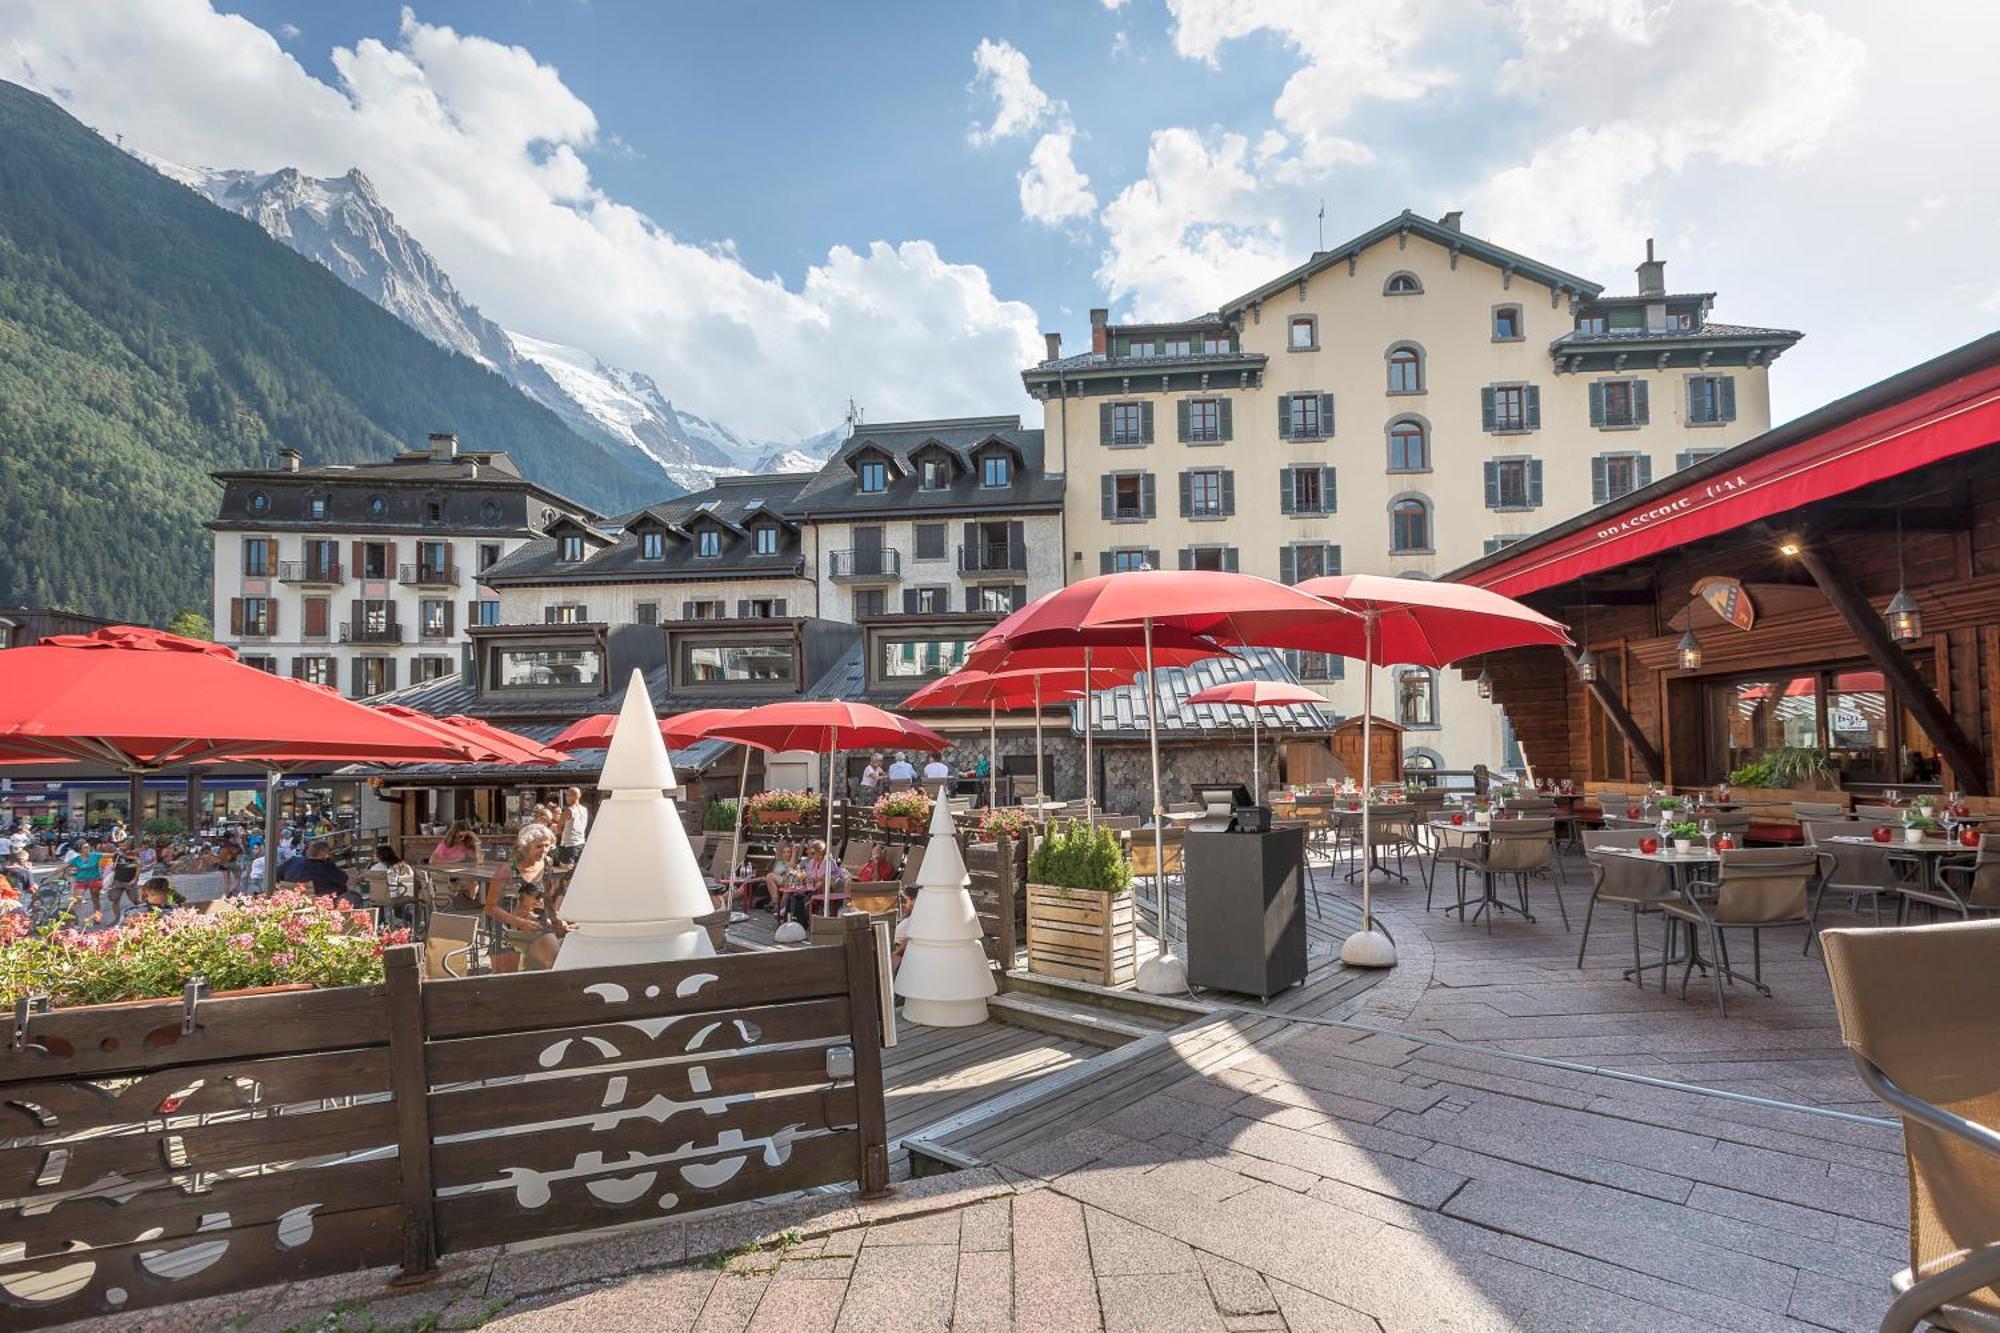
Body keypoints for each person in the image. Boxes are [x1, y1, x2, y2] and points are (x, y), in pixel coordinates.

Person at [486, 827, 563, 969]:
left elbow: (545, 895)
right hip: (506, 928)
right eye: (539, 846)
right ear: (525, 847)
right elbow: (490, 907)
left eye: (547, 845)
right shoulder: (507, 870)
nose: (544, 850)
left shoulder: (547, 863)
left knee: (553, 962)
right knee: (507, 980)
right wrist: (518, 921)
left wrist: (556, 919)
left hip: (537, 925)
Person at [278, 839, 351, 903]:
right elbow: (345, 880)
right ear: (323, 852)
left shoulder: (292, 862)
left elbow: (276, 876)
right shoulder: (326, 867)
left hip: (291, 904)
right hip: (320, 906)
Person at [796, 839, 846, 922]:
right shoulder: (812, 862)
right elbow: (809, 876)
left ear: (820, 853)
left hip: (835, 889)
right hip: (819, 889)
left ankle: (823, 914)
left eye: (813, 853)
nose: (811, 856)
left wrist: (812, 879)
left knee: (821, 883)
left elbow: (824, 877)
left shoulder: (827, 862)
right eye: (810, 853)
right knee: (800, 894)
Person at [368, 844, 418, 926]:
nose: (373, 856)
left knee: (377, 900)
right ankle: (414, 920)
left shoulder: (376, 868)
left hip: (385, 896)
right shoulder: (404, 865)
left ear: (380, 855)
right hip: (405, 895)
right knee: (398, 909)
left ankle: (380, 923)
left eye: (375, 853)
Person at [65, 839, 109, 923]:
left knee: (96, 900)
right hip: (81, 881)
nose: (88, 849)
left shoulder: (95, 855)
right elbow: (62, 867)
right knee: (75, 900)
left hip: (94, 880)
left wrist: (123, 854)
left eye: (88, 847)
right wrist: (50, 876)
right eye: (85, 848)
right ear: (80, 850)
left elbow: (112, 855)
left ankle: (97, 918)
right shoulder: (76, 859)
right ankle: (73, 920)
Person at [554, 788, 589, 867]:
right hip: (581, 843)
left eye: (569, 795)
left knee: (565, 871)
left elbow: (559, 829)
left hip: (569, 845)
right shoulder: (585, 809)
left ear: (576, 796)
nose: (567, 797)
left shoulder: (568, 811)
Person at [104, 851, 141, 921]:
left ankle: (143, 915)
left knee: (135, 900)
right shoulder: (117, 855)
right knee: (115, 899)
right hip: (117, 881)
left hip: (130, 881)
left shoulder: (133, 854)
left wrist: (134, 879)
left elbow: (138, 866)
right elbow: (112, 864)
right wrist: (112, 867)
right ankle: (117, 919)